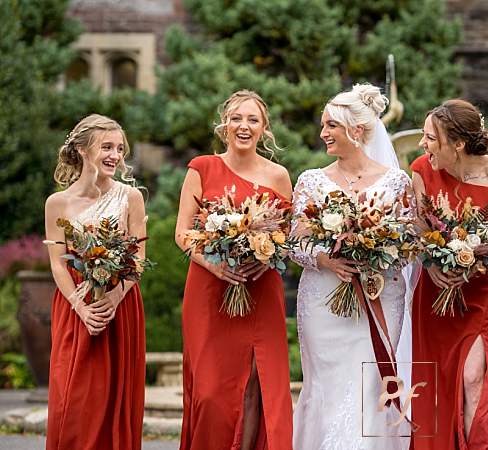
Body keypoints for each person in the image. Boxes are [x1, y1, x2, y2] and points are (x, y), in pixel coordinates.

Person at [291, 83, 414, 450]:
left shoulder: (396, 182)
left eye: (331, 126)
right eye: (323, 125)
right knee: (325, 382)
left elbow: (409, 245)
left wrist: (376, 252)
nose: (323, 133)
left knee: (371, 379)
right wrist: (326, 258)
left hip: (380, 295)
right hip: (323, 299)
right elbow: (294, 242)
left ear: (356, 131)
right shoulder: (311, 181)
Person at [175, 90, 293, 450]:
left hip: (259, 288)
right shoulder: (202, 167)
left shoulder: (278, 175)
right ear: (224, 123)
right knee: (210, 391)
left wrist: (264, 254)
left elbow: (287, 233)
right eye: (237, 118)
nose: (244, 126)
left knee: (258, 382)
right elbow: (182, 232)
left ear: (264, 128)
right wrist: (214, 263)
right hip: (210, 290)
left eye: (252, 119)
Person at [409, 99, 488, 450]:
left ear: (457, 143)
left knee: (474, 376)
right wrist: (435, 266)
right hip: (436, 294)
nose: (423, 145)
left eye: (431, 138)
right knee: (438, 381)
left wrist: (477, 258)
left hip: (484, 294)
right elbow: (419, 231)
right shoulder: (421, 170)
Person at [44, 114, 146, 450]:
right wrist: (81, 308)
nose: (115, 155)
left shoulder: (131, 197)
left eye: (119, 148)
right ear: (83, 150)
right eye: (107, 147)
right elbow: (59, 266)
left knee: (115, 395)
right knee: (73, 398)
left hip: (120, 302)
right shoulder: (57, 204)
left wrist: (115, 298)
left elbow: (139, 259)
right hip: (76, 306)